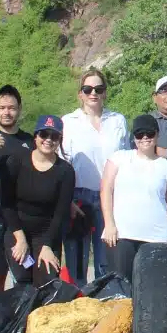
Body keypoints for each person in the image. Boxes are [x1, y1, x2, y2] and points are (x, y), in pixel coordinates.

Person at [61, 67, 129, 287]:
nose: (93, 93)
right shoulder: (68, 122)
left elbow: (126, 160)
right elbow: (62, 165)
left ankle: (105, 309)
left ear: (105, 93)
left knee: (106, 262)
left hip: (111, 198)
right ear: (80, 93)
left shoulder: (118, 120)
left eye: (98, 89)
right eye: (88, 89)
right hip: (78, 196)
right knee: (76, 262)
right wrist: (67, 200)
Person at [101, 113, 167, 281]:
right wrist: (109, 224)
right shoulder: (119, 158)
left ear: (157, 135)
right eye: (139, 134)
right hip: (122, 235)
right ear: (134, 137)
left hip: (158, 237)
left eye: (149, 133)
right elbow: (106, 190)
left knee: (153, 290)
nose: (145, 138)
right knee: (120, 287)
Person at [0, 114, 73, 285]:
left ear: (60, 139)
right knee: (24, 281)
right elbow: (6, 203)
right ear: (36, 136)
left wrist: (47, 246)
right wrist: (20, 238)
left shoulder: (65, 171)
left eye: (54, 136)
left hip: (47, 234)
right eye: (44, 134)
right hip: (18, 231)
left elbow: (60, 213)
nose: (48, 140)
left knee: (47, 281)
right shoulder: (17, 161)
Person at [0, 85, 33, 297]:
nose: (7, 112)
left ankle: (19, 323)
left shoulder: (29, 141)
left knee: (24, 274)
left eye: (11, 108)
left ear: (19, 109)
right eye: (2, 107)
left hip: (22, 220)